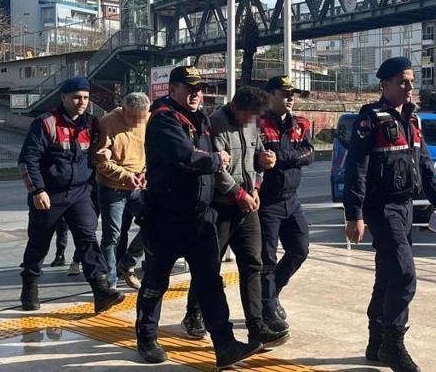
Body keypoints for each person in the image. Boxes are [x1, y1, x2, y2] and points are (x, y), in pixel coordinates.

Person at [135, 66, 261, 367]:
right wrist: (217, 160)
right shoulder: (164, 119)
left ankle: (225, 344)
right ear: (173, 88)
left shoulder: (201, 119)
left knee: (210, 282)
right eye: (189, 87)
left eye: (199, 88)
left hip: (201, 219)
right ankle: (147, 337)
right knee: (155, 282)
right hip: (166, 218)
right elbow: (184, 157)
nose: (196, 93)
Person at [344, 57, 436, 372]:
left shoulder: (413, 120)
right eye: (402, 82)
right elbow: (357, 168)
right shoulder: (372, 119)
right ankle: (394, 345)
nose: (409, 87)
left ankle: (376, 341)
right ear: (385, 85)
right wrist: (355, 214)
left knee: (388, 275)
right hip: (382, 207)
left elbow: (425, 165)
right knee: (405, 276)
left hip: (406, 207)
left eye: (411, 81)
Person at [183, 86, 289, 348]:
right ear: (236, 108)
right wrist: (240, 194)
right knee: (209, 267)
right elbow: (217, 171)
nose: (253, 121)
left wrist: (260, 178)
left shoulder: (252, 123)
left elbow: (259, 158)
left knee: (253, 265)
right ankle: (193, 313)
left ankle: (257, 328)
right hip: (222, 208)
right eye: (250, 115)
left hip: (248, 205)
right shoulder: (215, 124)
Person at [18, 76, 124, 314]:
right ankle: (29, 288)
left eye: (86, 98)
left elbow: (98, 149)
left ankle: (101, 291)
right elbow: (27, 160)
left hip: (80, 193)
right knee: (39, 243)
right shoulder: (46, 123)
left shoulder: (92, 124)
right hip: (49, 195)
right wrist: (37, 190)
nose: (81, 102)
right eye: (76, 97)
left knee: (88, 239)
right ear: (63, 97)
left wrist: (102, 155)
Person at [257, 76, 313, 333]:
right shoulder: (257, 124)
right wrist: (262, 160)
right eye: (284, 93)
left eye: (293, 93)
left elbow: (309, 154)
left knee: (300, 249)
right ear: (270, 96)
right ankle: (267, 307)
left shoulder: (300, 124)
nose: (291, 97)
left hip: (292, 200)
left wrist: (278, 157)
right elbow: (254, 158)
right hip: (267, 203)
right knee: (267, 258)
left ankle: (273, 292)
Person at [92, 92, 150, 290]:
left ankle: (127, 263)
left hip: (139, 184)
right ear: (124, 110)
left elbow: (150, 149)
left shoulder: (147, 119)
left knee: (155, 222)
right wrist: (126, 176)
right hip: (112, 187)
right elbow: (100, 162)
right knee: (112, 236)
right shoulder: (107, 122)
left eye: (141, 119)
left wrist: (144, 171)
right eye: (133, 118)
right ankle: (110, 282)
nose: (137, 123)